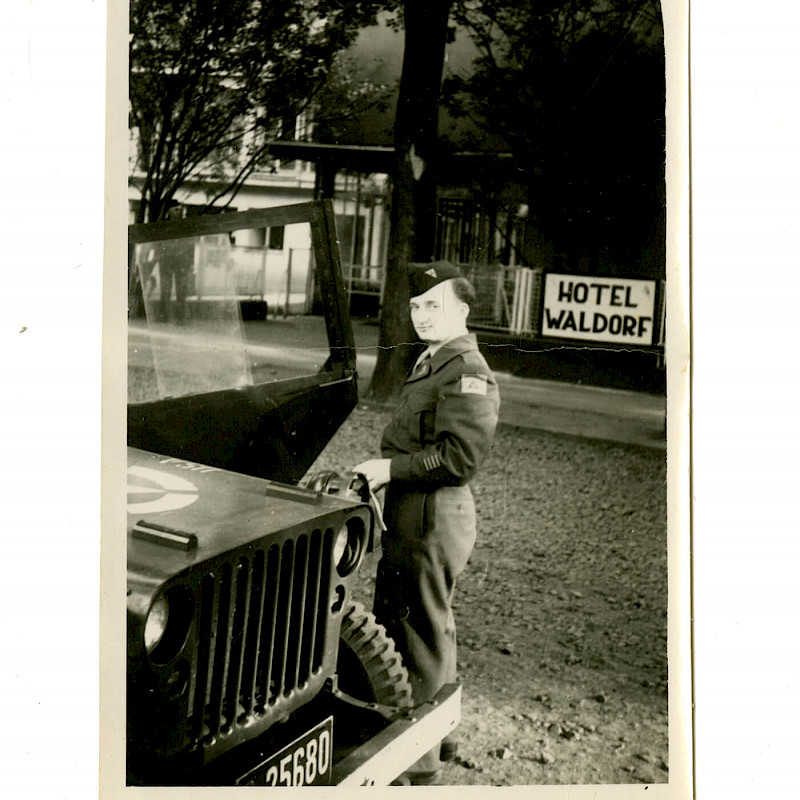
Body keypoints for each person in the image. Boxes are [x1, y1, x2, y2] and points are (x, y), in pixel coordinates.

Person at [353, 261, 500, 785]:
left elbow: (458, 459)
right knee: (413, 626)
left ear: (460, 310)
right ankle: (435, 737)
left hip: (435, 515)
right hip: (412, 511)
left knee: (420, 632)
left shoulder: (468, 371)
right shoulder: (432, 362)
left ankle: (417, 763)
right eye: (415, 306)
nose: (420, 315)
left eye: (432, 305)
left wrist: (386, 469)